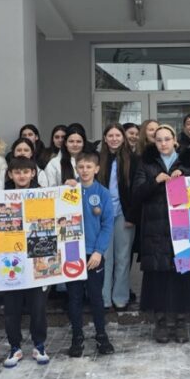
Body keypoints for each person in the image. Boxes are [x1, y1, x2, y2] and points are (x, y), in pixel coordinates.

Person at [132, 125, 190, 344]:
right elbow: (137, 193)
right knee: (158, 277)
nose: (163, 143)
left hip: (183, 228)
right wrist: (155, 181)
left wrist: (185, 177)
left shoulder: (188, 161)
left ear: (175, 141)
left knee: (182, 276)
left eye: (167, 139)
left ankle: (180, 322)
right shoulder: (146, 163)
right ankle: (160, 322)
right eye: (159, 139)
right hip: (155, 229)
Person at [0, 157, 52, 367]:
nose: (21, 176)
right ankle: (15, 346)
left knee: (38, 307)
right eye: (17, 172)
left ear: (33, 173)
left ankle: (39, 344)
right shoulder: (1, 196)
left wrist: (70, 187)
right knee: (11, 309)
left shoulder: (45, 195)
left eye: (25, 172)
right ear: (10, 175)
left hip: (37, 259)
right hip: (10, 261)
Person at [66, 152, 116, 357]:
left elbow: (107, 224)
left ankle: (101, 334)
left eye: (89, 167)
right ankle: (77, 336)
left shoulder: (103, 193)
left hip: (94, 254)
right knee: (74, 297)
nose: (84, 170)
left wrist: (98, 251)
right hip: (71, 252)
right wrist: (64, 189)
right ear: (76, 169)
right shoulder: (69, 191)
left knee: (96, 296)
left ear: (96, 169)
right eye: (81, 167)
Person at [97, 125, 137, 311]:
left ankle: (120, 297)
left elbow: (136, 189)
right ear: (105, 138)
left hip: (124, 213)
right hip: (102, 215)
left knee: (123, 257)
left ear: (123, 138)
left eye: (117, 135)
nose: (114, 139)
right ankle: (104, 297)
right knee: (105, 256)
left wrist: (132, 215)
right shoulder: (98, 159)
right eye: (110, 135)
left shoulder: (133, 160)